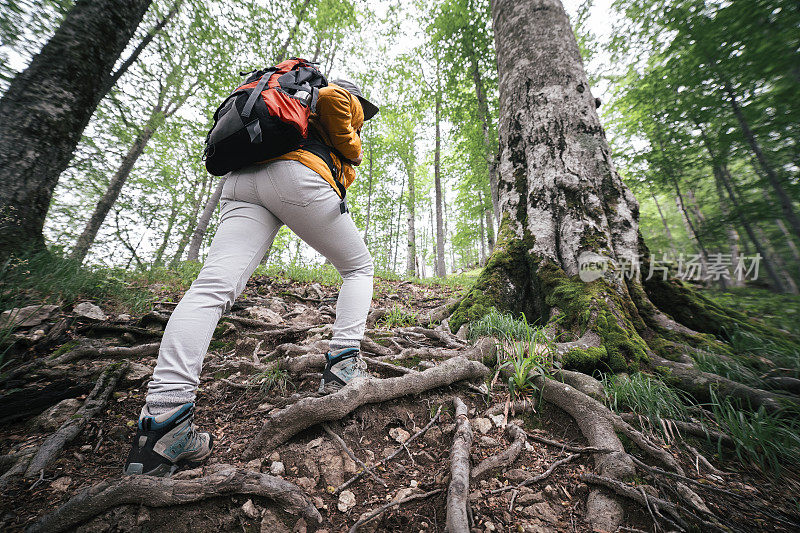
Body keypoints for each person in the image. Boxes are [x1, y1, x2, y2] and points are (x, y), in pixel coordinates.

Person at [123, 79, 380, 477]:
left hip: (243, 181)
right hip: (298, 177)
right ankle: (344, 362)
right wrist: (353, 148)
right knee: (359, 269)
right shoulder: (335, 97)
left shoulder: (288, 103)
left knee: (211, 289)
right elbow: (333, 99)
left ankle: (163, 425)